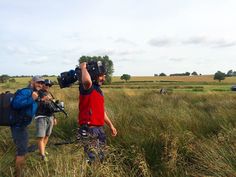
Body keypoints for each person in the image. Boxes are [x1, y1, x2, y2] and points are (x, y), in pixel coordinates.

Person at [77, 62, 117, 163]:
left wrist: (111, 126)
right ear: (93, 75)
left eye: (104, 76)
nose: (103, 78)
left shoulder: (98, 91)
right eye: (101, 76)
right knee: (92, 158)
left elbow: (101, 112)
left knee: (102, 156)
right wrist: (83, 68)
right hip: (90, 129)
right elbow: (86, 81)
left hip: (100, 128)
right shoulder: (86, 88)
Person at [10, 76, 44, 177]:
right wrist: (31, 99)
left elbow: (31, 107)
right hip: (18, 126)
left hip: (23, 126)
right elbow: (15, 104)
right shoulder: (26, 92)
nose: (40, 85)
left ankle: (18, 170)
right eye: (38, 82)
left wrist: (40, 100)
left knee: (22, 149)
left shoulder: (34, 93)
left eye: (42, 83)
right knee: (22, 150)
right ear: (32, 82)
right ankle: (18, 174)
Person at [35, 79, 57, 161]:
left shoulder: (50, 93)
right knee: (41, 136)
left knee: (47, 135)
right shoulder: (38, 93)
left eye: (50, 85)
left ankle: (42, 150)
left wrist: (54, 117)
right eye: (46, 84)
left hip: (50, 116)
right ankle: (43, 156)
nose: (48, 86)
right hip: (41, 116)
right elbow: (35, 103)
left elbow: (53, 106)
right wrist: (43, 99)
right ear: (43, 84)